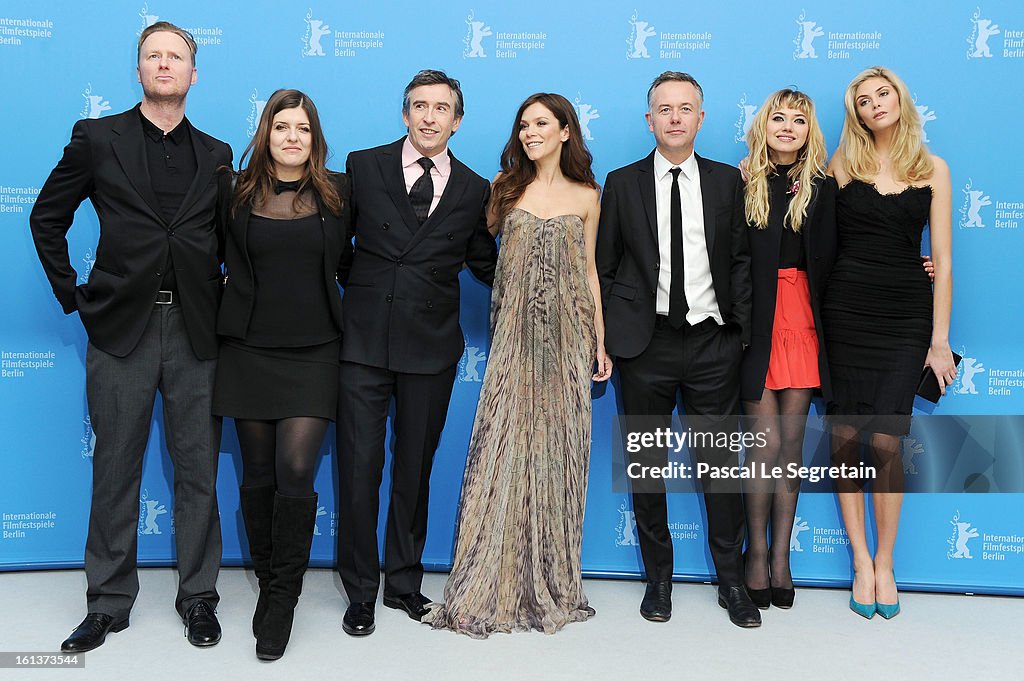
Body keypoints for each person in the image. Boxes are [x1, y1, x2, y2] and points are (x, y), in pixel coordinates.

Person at [30, 22, 230, 652]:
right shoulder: (97, 138)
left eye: (176, 57)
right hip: (122, 329)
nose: (165, 65)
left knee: (198, 468)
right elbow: (47, 217)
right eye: (154, 56)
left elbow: (234, 243)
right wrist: (76, 297)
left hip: (198, 331)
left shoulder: (219, 153)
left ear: (194, 74)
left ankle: (199, 597)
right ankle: (109, 601)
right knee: (116, 467)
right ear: (139, 70)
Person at [424, 93, 612, 638]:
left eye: (541, 124)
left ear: (566, 132)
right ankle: (492, 583)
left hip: (568, 343)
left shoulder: (588, 197)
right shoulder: (503, 191)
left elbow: (591, 272)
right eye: (524, 126)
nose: (530, 133)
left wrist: (598, 341)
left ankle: (550, 582)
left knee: (558, 458)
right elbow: (476, 257)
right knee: (501, 457)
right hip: (512, 344)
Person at [335, 69, 498, 637]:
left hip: (431, 349)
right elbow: (337, 248)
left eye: (442, 108)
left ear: (457, 120)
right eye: (419, 106)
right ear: (405, 114)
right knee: (358, 470)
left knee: (414, 470)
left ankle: (402, 582)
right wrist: (367, 295)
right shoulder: (364, 166)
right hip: (362, 344)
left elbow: (484, 262)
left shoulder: (476, 189)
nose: (430, 117)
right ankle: (358, 589)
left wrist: (539, 285)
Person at [596, 71, 758, 627]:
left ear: (700, 118)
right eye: (663, 108)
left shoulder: (725, 182)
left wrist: (738, 334)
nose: (674, 117)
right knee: (647, 466)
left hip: (714, 344)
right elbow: (607, 265)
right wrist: (614, 336)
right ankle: (658, 579)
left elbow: (740, 260)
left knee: (720, 468)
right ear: (649, 119)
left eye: (684, 108)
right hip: (646, 347)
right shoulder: (621, 183)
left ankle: (732, 582)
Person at [213, 89, 349, 660]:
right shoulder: (233, 189)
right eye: (281, 127)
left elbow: (360, 259)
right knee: (259, 473)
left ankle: (283, 597)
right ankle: (269, 577)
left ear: (315, 138)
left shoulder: (341, 191)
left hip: (316, 347)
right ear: (265, 134)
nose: (292, 137)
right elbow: (207, 254)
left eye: (303, 128)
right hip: (247, 348)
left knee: (297, 467)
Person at [822, 66, 955, 619]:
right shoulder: (842, 164)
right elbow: (808, 229)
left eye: (883, 94)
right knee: (846, 436)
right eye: (863, 99)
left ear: (900, 99)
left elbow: (943, 260)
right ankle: (858, 560)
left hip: (904, 316)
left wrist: (939, 340)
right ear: (854, 111)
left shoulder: (933, 168)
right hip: (844, 310)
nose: (874, 104)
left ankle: (886, 562)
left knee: (887, 442)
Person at [739, 89, 837, 610]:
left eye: (798, 120)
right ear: (764, 125)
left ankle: (781, 559)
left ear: (808, 132)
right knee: (764, 446)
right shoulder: (741, 180)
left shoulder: (823, 187)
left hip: (801, 321)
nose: (787, 127)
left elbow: (848, 253)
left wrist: (915, 268)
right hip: (755, 323)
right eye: (778, 117)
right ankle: (754, 556)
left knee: (791, 451)